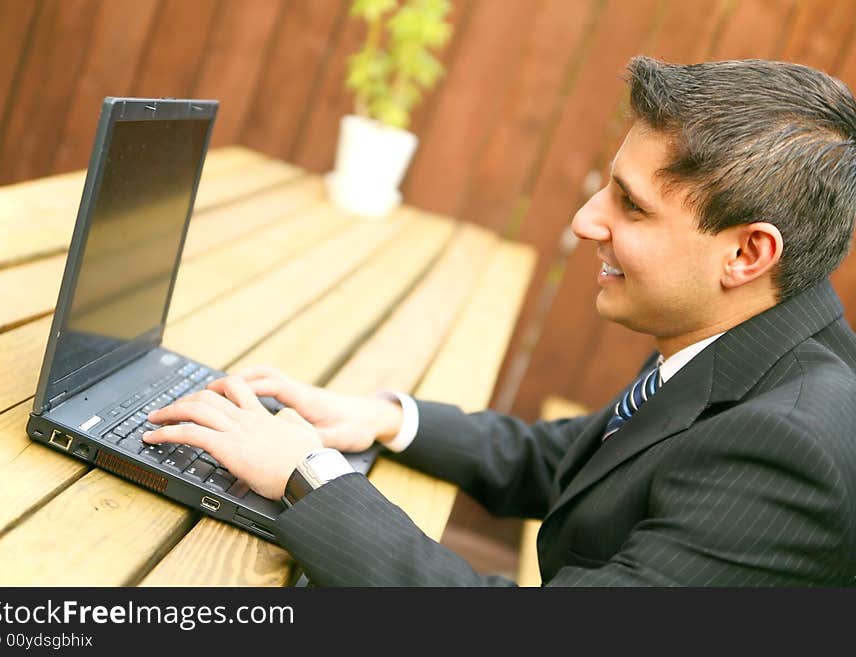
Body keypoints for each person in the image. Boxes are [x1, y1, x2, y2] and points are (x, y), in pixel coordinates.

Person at [143, 56, 856, 586]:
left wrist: (307, 474)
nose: (585, 221)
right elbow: (574, 460)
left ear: (748, 253)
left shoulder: (785, 446)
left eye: (631, 206)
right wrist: (385, 418)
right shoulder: (743, 336)